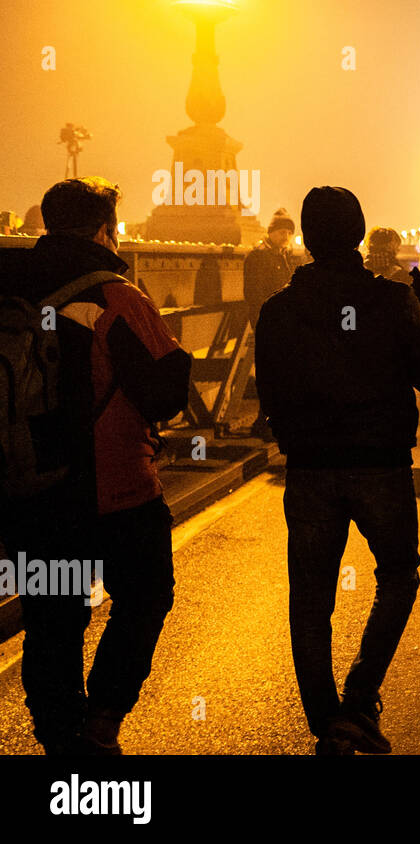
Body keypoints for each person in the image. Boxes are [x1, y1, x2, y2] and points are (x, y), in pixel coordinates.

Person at [255, 185, 420, 755]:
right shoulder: (392, 301)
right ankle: (361, 698)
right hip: (380, 465)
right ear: (360, 234)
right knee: (398, 574)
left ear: (307, 239)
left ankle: (327, 720)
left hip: (311, 468)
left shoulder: (277, 310)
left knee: (311, 594)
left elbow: (267, 394)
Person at [0, 177, 192, 754]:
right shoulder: (117, 296)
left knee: (51, 621)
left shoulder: (9, 288)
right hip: (116, 491)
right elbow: (165, 393)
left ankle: (60, 742)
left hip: (30, 487)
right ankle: (102, 719)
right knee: (145, 595)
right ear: (107, 230)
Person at [243, 209, 297, 439]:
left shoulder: (284, 255)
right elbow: (254, 296)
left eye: (289, 232)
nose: (285, 236)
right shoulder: (258, 257)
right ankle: (264, 424)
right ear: (271, 232)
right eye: (281, 231)